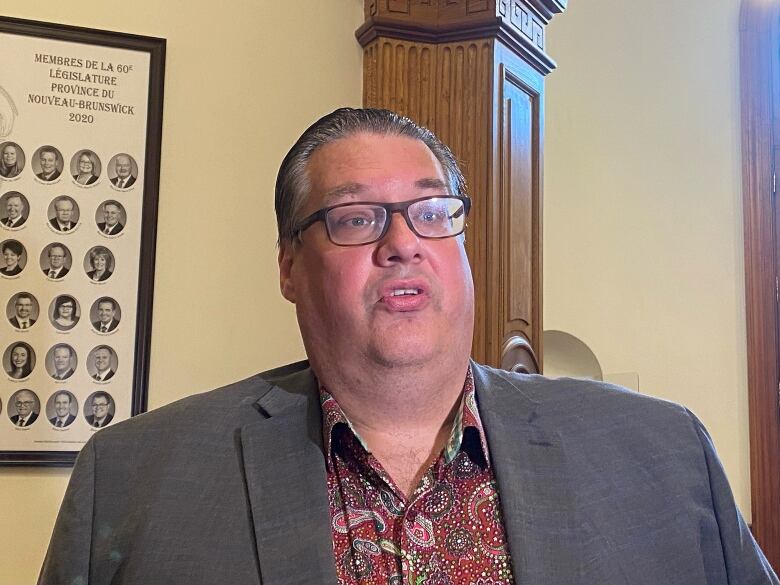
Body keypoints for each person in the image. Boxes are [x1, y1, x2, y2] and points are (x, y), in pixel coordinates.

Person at [38, 109, 779, 585]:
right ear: (289, 267)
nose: (403, 243)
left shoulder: (662, 454)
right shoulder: (134, 480)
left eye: (431, 212)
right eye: (357, 218)